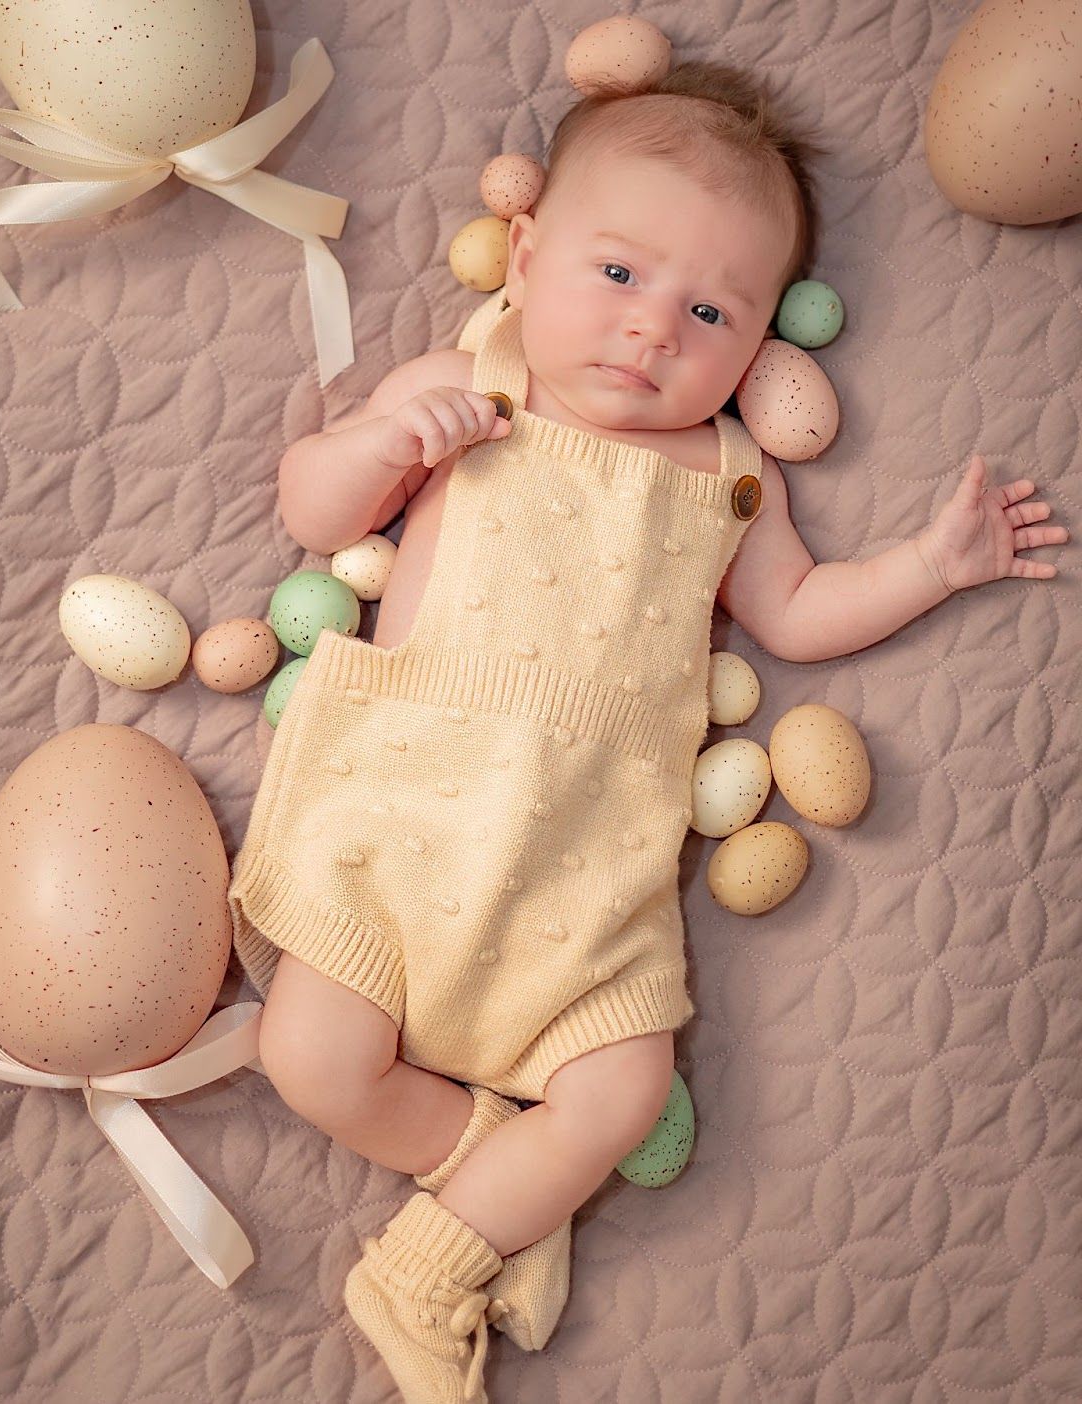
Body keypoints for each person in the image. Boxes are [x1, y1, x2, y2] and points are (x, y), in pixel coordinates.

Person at [228, 60, 1069, 1403]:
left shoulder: (730, 469)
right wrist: (388, 436)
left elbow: (792, 612)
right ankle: (490, 1193)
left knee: (621, 1098)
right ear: (528, 246)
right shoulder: (473, 380)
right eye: (617, 276)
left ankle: (425, 1263)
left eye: (707, 309)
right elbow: (315, 509)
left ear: (757, 345)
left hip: (592, 858)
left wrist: (931, 564)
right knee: (308, 1060)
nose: (650, 333)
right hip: (402, 808)